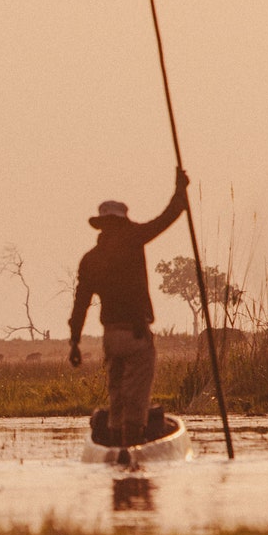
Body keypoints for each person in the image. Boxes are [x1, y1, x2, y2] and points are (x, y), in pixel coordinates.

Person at [68, 168, 190, 448]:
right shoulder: (133, 238)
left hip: (111, 337)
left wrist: (74, 342)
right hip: (136, 336)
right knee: (135, 399)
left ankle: (116, 445)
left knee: (117, 396)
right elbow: (167, 218)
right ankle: (130, 452)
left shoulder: (91, 259)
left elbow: (80, 305)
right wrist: (179, 190)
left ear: (101, 226)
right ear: (121, 222)